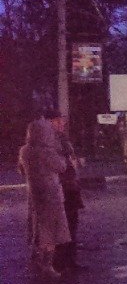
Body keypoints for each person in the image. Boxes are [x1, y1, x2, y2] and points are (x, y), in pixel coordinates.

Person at [17, 117, 72, 279]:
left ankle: (38, 259)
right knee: (51, 231)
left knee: (38, 228)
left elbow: (20, 170)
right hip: (51, 193)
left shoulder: (24, 151)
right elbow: (61, 167)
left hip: (34, 194)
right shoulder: (46, 151)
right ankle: (47, 265)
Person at [45, 110, 83, 271]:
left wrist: (75, 162)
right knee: (61, 226)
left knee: (72, 223)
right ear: (48, 122)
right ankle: (59, 262)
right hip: (59, 188)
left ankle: (70, 261)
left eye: (62, 121)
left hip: (71, 187)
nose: (62, 124)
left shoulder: (63, 139)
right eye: (57, 121)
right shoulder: (47, 141)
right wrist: (69, 163)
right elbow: (56, 164)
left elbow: (69, 159)